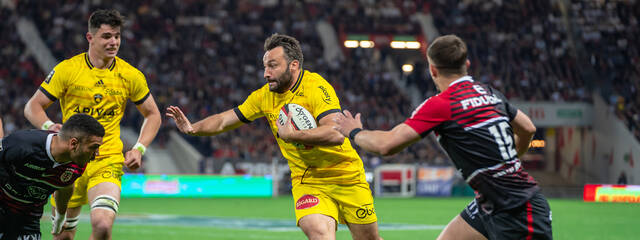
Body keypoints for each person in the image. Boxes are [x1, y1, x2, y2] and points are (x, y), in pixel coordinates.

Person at [334, 35, 552, 240]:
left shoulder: (440, 104)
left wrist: (354, 131)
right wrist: (508, 158)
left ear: (432, 70)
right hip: (491, 203)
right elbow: (528, 128)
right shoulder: (489, 92)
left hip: (518, 210)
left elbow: (386, 145)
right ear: (466, 65)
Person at [167, 33, 382, 240]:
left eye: (273, 66)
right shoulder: (263, 97)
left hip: (346, 176)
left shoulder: (316, 87)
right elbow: (224, 120)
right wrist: (193, 128)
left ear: (294, 65)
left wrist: (294, 135)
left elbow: (335, 134)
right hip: (308, 180)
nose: (265, 74)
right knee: (320, 234)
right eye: (265, 66)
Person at [23, 9, 161, 240]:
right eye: (107, 36)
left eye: (117, 36)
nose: (114, 42)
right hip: (69, 161)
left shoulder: (130, 75)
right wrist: (49, 126)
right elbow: (32, 107)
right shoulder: (68, 69)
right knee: (64, 237)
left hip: (107, 159)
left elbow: (153, 114)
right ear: (90, 38)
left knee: (103, 226)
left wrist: (139, 148)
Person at [0, 113, 105, 240]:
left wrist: (60, 218)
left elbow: (66, 187)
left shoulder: (78, 165)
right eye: (94, 147)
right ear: (73, 144)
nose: (97, 154)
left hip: (29, 216)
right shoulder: (21, 145)